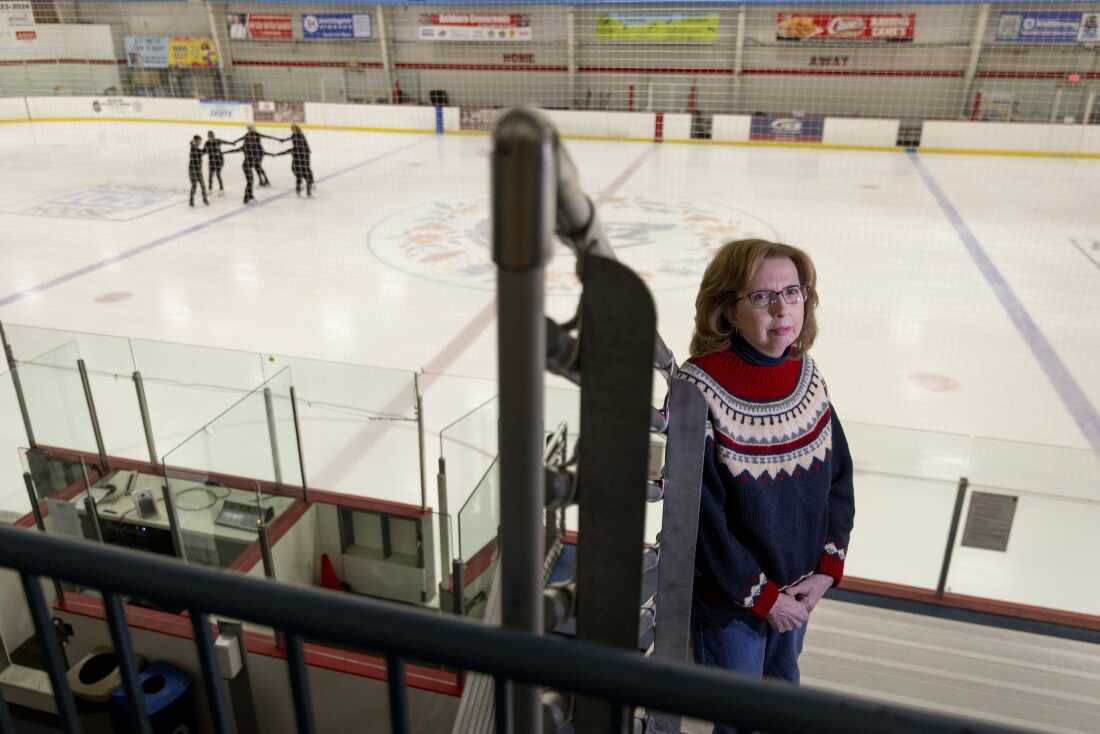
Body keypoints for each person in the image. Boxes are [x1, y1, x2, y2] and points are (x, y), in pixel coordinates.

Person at [676, 239, 855, 732]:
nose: (782, 309)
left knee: (780, 707)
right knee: (739, 721)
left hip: (797, 593)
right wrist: (763, 599)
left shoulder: (807, 375)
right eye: (761, 297)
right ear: (728, 310)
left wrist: (826, 570)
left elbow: (839, 481)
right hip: (732, 606)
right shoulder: (698, 389)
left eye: (792, 292)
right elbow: (701, 520)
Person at [275, 124, 315, 197]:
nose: (292, 130)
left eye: (293, 129)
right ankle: (302, 190)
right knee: (301, 174)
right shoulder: (295, 136)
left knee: (302, 174)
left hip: (302, 158)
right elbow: (291, 139)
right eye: (292, 129)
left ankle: (305, 190)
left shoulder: (299, 138)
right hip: (301, 159)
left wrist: (277, 154)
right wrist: (284, 141)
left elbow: (294, 147)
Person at [234, 124, 276, 189]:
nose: (249, 129)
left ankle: (264, 181)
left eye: (250, 128)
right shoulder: (247, 135)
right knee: (257, 167)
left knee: (258, 166)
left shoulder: (256, 135)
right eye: (248, 129)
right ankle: (264, 181)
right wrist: (235, 142)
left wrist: (276, 139)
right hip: (253, 153)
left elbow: (265, 137)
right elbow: (243, 140)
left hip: (259, 153)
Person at [203, 130, 235, 194]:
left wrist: (232, 143)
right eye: (209, 136)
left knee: (218, 174)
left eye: (212, 135)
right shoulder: (207, 143)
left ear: (213, 135)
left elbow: (225, 142)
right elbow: (204, 151)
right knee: (210, 175)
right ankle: (210, 189)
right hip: (211, 161)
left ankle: (221, 189)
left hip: (219, 160)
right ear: (208, 136)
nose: (211, 137)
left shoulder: (218, 141)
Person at [187, 135, 208, 207]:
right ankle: (191, 200)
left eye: (200, 141)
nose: (200, 142)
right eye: (199, 141)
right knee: (194, 185)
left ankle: (205, 199)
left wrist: (206, 147)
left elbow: (203, 152)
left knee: (203, 185)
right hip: (193, 170)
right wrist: (206, 147)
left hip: (198, 170)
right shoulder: (193, 149)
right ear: (196, 141)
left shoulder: (195, 148)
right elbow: (201, 152)